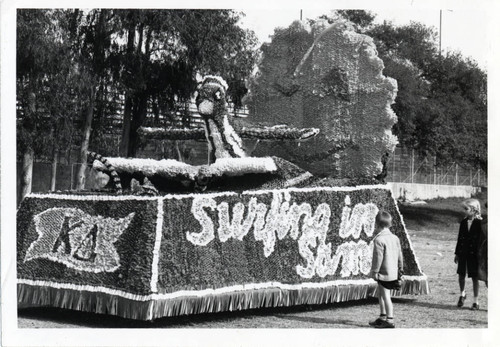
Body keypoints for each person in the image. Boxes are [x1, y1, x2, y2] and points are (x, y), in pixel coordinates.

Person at [369, 210, 403, 329]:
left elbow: (378, 258)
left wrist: (375, 271)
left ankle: (390, 319)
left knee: (386, 296)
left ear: (377, 224)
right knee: (381, 294)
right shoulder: (395, 238)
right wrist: (400, 269)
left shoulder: (379, 240)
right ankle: (383, 316)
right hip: (393, 273)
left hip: (383, 273)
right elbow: (400, 256)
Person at [454, 198, 483, 310]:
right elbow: (459, 239)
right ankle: (462, 294)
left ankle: (476, 301)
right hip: (463, 253)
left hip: (474, 255)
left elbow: (481, 241)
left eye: (466, 209)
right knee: (461, 275)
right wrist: (457, 253)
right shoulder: (463, 222)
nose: (464, 211)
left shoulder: (480, 223)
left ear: (474, 209)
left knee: (474, 277)